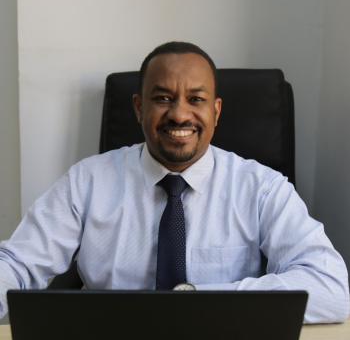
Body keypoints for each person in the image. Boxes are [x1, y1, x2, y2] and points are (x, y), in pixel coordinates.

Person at [0, 42, 348, 323]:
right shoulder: (87, 181)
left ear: (216, 110)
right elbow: (15, 264)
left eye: (196, 99)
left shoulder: (262, 188)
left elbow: (331, 288)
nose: (180, 114)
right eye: (163, 98)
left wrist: (196, 300)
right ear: (138, 108)